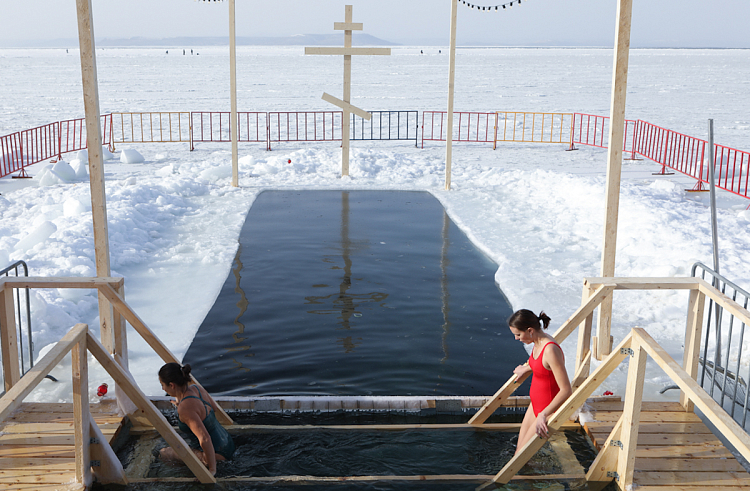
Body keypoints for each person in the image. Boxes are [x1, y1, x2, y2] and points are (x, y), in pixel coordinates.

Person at [508, 309, 571, 454]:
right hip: (535, 405)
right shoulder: (537, 341)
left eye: (518, 334)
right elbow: (544, 366)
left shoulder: (550, 350)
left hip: (546, 409)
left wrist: (544, 414)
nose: (516, 338)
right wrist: (528, 368)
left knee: (520, 457)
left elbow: (566, 390)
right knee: (519, 452)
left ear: (530, 330)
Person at [158, 363, 235, 474]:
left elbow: (205, 438)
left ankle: (185, 475)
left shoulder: (185, 408)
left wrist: (212, 470)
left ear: (172, 385)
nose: (162, 388)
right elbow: (214, 408)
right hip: (228, 444)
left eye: (162, 385)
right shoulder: (197, 389)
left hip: (217, 455)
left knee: (164, 453)